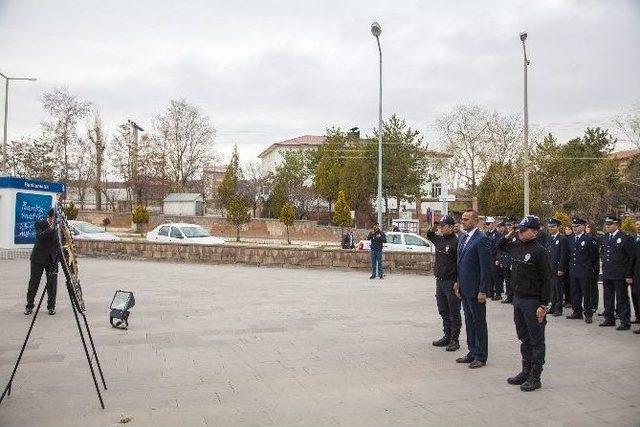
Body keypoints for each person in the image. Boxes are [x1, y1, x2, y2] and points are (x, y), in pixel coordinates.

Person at [497, 215, 550, 391]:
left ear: (534, 232)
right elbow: (498, 247)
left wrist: (543, 305)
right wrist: (510, 233)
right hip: (518, 299)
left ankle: (536, 376)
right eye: (518, 228)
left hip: (533, 301)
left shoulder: (539, 251)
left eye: (523, 229)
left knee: (536, 340)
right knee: (523, 338)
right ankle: (525, 370)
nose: (519, 231)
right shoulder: (517, 245)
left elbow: (546, 280)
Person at [453, 209, 492, 368]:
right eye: (462, 219)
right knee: (469, 321)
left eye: (466, 219)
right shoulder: (464, 237)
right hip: (464, 287)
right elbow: (460, 262)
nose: (463, 221)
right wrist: (457, 282)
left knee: (479, 322)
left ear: (476, 221)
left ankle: (481, 355)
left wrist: (483, 290)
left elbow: (485, 267)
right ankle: (472, 352)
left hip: (476, 290)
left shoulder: (481, 239)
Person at [426, 215, 461, 352]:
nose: (441, 228)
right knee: (443, 310)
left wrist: (458, 282)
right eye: (440, 226)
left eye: (443, 225)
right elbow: (429, 234)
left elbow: (460, 264)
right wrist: (434, 226)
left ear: (451, 227)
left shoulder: (456, 243)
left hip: (451, 281)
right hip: (439, 281)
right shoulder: (439, 239)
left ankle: (454, 339)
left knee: (454, 311)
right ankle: (447, 335)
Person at [598, 215, 635, 330]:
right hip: (608, 272)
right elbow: (603, 253)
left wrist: (629, 274)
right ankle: (609, 318)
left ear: (617, 225)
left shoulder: (624, 238)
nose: (607, 226)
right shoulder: (605, 237)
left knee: (621, 298)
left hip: (620, 273)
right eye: (606, 224)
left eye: (610, 224)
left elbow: (631, 258)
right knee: (608, 297)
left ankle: (625, 321)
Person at [25, 208, 59, 316]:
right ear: (49, 217)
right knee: (34, 282)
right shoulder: (39, 224)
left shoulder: (59, 227)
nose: (56, 220)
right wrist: (51, 228)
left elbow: (60, 244)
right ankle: (29, 306)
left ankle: (51, 306)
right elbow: (40, 236)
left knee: (52, 284)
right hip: (38, 259)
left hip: (52, 259)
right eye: (55, 218)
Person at [566, 218, 599, 323]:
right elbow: (569, 255)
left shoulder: (589, 239)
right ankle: (577, 312)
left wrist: (590, 268)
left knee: (586, 293)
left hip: (585, 270)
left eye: (577, 226)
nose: (574, 228)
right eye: (573, 226)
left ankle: (588, 314)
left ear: (583, 227)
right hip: (574, 270)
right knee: (575, 292)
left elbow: (594, 256)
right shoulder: (570, 239)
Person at [546, 218, 568, 316]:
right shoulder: (549, 238)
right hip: (550, 268)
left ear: (557, 227)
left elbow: (564, 255)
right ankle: (553, 306)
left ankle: (558, 309)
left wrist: (561, 268)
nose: (551, 228)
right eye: (549, 226)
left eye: (553, 226)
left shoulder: (562, 238)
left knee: (558, 289)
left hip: (558, 268)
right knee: (552, 289)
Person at [500, 217, 519, 304]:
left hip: (513, 260)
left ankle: (514, 297)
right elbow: (498, 246)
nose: (508, 226)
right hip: (505, 260)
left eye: (510, 225)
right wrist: (506, 236)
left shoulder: (517, 234)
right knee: (507, 280)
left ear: (514, 225)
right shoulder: (505, 234)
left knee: (514, 280)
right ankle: (509, 296)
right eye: (507, 225)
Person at [585, 223, 602, 314]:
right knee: (588, 287)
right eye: (586, 227)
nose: (587, 229)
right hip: (586, 266)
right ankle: (589, 304)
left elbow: (595, 254)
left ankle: (594, 305)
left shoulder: (595, 238)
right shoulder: (584, 237)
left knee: (593, 286)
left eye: (588, 227)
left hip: (593, 265)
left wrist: (594, 266)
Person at [491, 221, 507, 301]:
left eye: (500, 226)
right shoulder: (490, 234)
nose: (499, 228)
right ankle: (495, 292)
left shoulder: (499, 235)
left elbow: (498, 248)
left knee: (498, 277)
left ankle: (498, 293)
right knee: (494, 277)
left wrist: (498, 259)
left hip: (497, 258)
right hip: (492, 257)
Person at [563, 225, 574, 306]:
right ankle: (567, 300)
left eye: (569, 229)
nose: (567, 230)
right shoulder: (563, 238)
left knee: (571, 284)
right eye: (566, 229)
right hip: (564, 264)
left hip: (571, 263)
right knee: (565, 284)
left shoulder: (573, 238)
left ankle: (571, 301)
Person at [632, 219, 640, 333]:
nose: (638, 226)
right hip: (635, 272)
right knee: (635, 295)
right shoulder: (633, 239)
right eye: (637, 224)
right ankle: (638, 316)